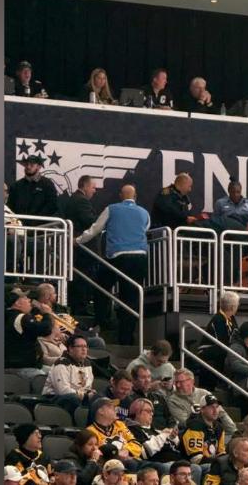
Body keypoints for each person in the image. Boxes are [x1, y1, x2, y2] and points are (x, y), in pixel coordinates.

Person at [76, 184, 150, 342]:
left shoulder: (112, 209)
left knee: (101, 287)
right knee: (132, 298)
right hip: (140, 258)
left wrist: (78, 241)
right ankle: (127, 337)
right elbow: (145, 230)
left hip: (118, 256)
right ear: (135, 197)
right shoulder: (144, 213)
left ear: (120, 195)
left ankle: (102, 320)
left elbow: (95, 229)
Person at [66, 174, 99, 317]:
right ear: (85, 186)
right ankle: (80, 309)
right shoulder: (81, 201)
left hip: (78, 248)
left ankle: (79, 307)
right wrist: (102, 221)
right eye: (93, 187)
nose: (95, 190)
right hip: (82, 248)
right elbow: (89, 222)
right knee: (82, 278)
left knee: (79, 278)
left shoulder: (74, 199)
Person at [5, 287, 54, 380]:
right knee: (53, 381)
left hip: (15, 365)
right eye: (25, 298)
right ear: (17, 303)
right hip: (23, 367)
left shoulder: (8, 316)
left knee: (56, 372)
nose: (29, 300)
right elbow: (45, 330)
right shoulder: (21, 317)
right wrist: (47, 314)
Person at [168, 369, 238, 434]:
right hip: (191, 433)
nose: (178, 385)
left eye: (181, 382)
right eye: (176, 382)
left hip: (212, 430)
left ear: (192, 381)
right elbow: (185, 422)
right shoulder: (173, 400)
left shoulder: (204, 393)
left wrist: (234, 431)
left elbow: (222, 413)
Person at [126, 398, 183, 475]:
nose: (152, 414)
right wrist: (163, 435)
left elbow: (173, 447)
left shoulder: (155, 430)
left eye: (152, 411)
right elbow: (144, 452)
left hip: (175, 462)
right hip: (156, 464)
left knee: (195, 468)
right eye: (148, 411)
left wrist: (172, 437)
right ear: (137, 412)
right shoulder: (131, 429)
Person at [43, 334, 96, 415]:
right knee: (73, 398)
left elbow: (88, 386)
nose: (84, 349)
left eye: (85, 346)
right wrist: (85, 396)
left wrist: (91, 393)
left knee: (100, 400)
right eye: (80, 346)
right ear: (70, 349)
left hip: (79, 398)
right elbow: (62, 391)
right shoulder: (61, 363)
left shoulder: (87, 364)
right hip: (55, 399)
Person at [85, 397, 143, 468]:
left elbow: (136, 444)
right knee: (131, 464)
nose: (115, 409)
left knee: (158, 466)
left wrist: (127, 450)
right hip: (111, 466)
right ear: (101, 411)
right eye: (111, 407)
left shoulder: (120, 424)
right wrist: (118, 454)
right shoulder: (91, 431)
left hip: (133, 459)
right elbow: (98, 453)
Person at [198, 291, 240, 387]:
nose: (238, 306)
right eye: (237, 304)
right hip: (209, 350)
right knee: (229, 353)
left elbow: (236, 336)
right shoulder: (218, 319)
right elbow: (222, 342)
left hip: (222, 348)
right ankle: (225, 384)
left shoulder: (231, 318)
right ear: (232, 307)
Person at [180, 394, 228, 473]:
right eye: (211, 407)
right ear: (202, 409)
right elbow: (195, 459)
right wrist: (219, 461)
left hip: (211, 461)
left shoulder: (219, 427)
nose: (215, 410)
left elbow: (221, 452)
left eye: (217, 407)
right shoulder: (195, 426)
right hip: (190, 465)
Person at [129, 364, 173, 429]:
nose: (147, 380)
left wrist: (171, 430)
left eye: (149, 377)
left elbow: (171, 419)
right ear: (134, 380)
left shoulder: (159, 397)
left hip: (165, 433)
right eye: (143, 377)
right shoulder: (130, 398)